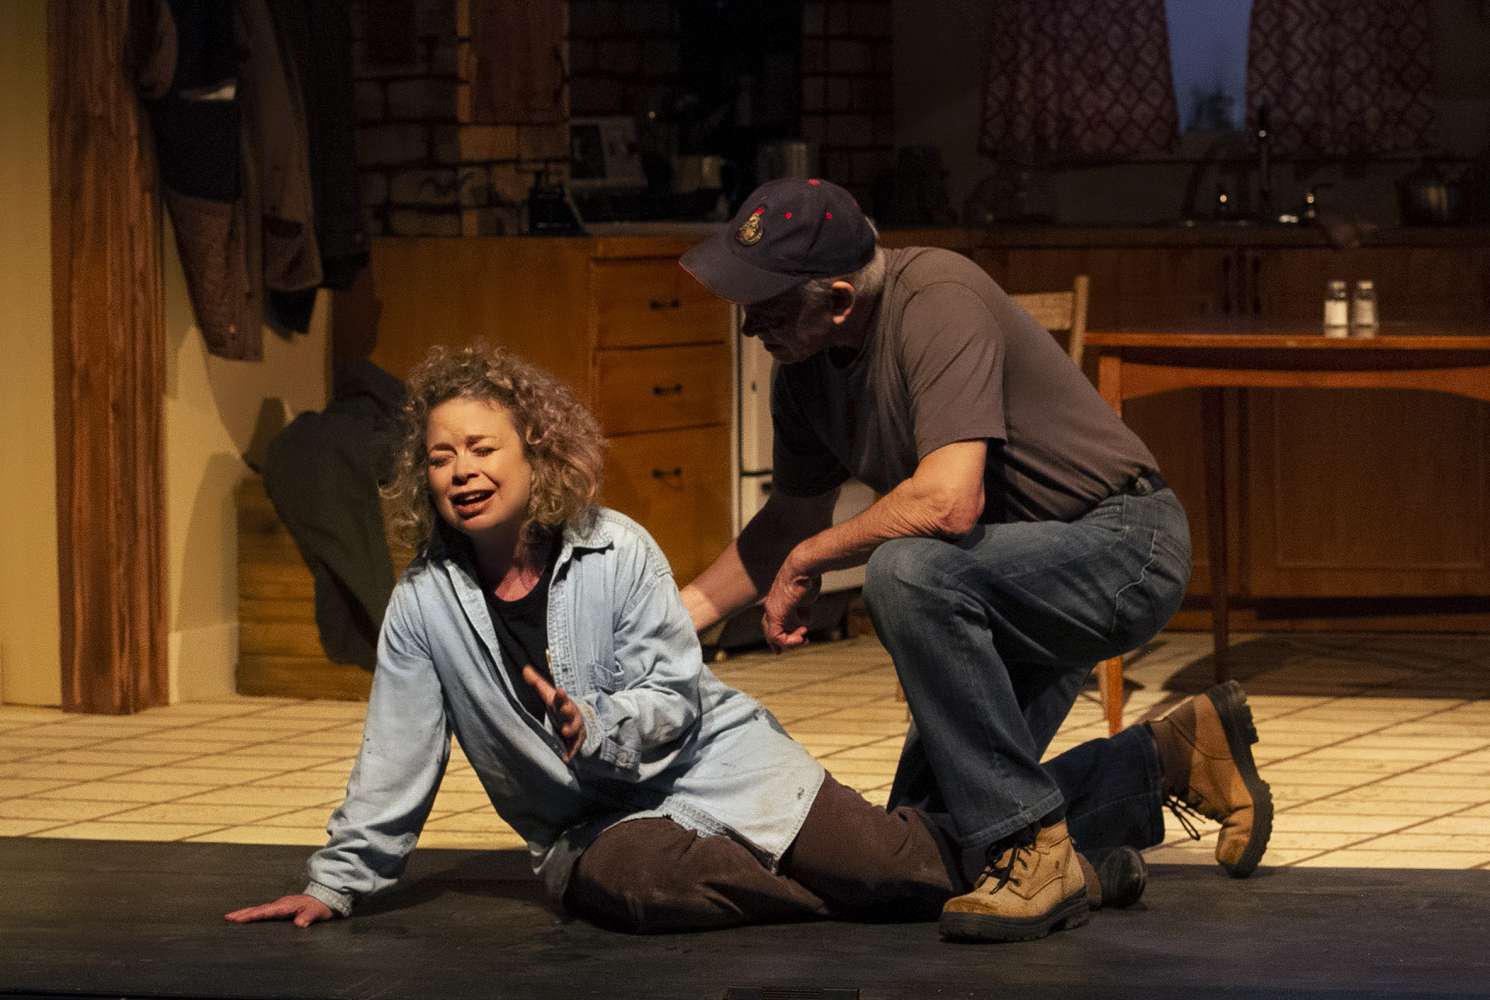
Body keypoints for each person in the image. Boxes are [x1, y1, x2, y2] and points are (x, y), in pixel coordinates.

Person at [224, 343, 1146, 942]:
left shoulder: (616, 549)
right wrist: (337, 883)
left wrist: (595, 724)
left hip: (717, 765)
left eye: (482, 449)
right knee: (637, 891)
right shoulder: (424, 606)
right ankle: (1041, 866)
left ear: (535, 456)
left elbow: (672, 700)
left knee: (887, 861)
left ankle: (1104, 820)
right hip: (596, 831)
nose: (461, 471)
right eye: (440, 457)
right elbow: (396, 754)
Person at [677, 178, 1274, 941]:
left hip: (1120, 545)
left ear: (838, 299)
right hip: (1001, 576)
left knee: (904, 570)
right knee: (913, 844)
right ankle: (1168, 761)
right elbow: (784, 525)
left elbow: (947, 502)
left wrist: (814, 557)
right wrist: (666, 626)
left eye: (766, 303)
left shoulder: (936, 296)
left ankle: (1037, 852)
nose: (749, 321)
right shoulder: (804, 377)